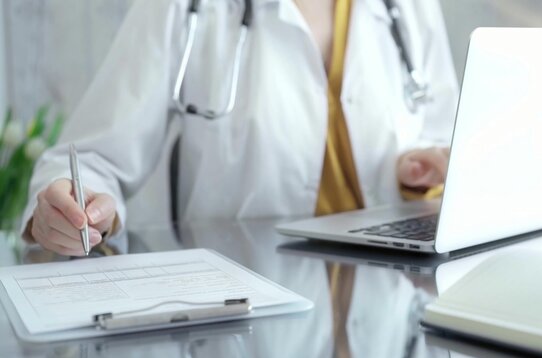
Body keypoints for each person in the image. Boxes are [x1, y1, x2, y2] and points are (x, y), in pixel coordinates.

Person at [21, 0, 459, 256]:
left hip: (391, 306)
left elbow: (445, 141)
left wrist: (423, 174)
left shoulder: (408, 7)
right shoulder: (187, 7)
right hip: (243, 311)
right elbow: (94, 158)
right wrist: (75, 204)